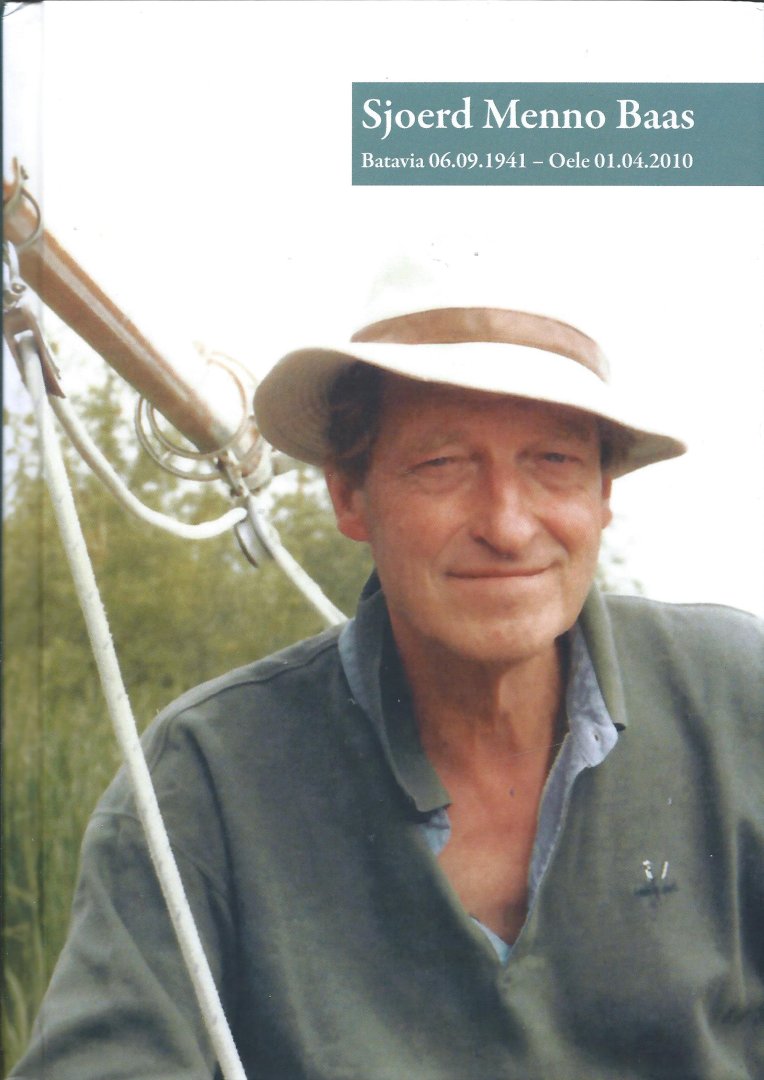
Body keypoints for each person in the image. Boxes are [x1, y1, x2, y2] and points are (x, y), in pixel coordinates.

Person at [11, 263, 764, 1080]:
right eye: (443, 464)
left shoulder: (736, 699)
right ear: (349, 495)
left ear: (603, 495)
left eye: (553, 460)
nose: (508, 526)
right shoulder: (204, 778)